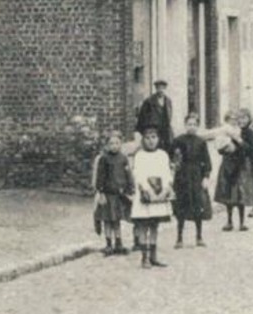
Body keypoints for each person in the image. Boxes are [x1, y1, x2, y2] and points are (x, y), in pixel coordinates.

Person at [130, 127, 174, 268]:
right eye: (148, 138)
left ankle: (154, 256)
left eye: (154, 137)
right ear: (143, 139)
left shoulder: (163, 155)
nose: (151, 141)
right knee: (144, 225)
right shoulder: (140, 155)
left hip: (160, 194)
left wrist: (165, 189)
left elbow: (167, 173)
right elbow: (138, 175)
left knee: (155, 225)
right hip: (146, 194)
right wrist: (147, 190)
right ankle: (144, 257)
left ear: (158, 139)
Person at [169, 113, 213, 248]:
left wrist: (205, 177)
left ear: (198, 126)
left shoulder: (201, 142)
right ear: (185, 125)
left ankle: (199, 236)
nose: (191, 127)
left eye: (194, 124)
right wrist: (173, 165)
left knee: (198, 205)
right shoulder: (178, 140)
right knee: (181, 206)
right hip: (182, 176)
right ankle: (179, 238)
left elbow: (206, 161)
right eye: (189, 124)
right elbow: (171, 157)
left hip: (196, 176)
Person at [91, 130, 134, 257]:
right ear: (107, 145)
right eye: (111, 143)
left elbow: (128, 174)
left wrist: (130, 188)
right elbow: (100, 176)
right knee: (107, 220)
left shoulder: (123, 158)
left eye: (117, 143)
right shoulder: (104, 159)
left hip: (119, 195)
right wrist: (101, 192)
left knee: (117, 220)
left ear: (121, 144)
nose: (114, 146)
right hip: (107, 195)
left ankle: (119, 243)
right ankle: (109, 244)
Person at [213, 110, 253, 232]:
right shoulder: (226, 130)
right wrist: (224, 149)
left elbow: (250, 149)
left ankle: (242, 222)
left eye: (239, 119)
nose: (237, 121)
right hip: (228, 163)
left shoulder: (247, 133)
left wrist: (239, 142)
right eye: (234, 119)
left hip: (241, 165)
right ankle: (229, 220)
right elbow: (219, 148)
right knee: (228, 193)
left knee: (240, 194)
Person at [135, 79, 175, 156]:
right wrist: (144, 131)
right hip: (154, 130)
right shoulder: (149, 101)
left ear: (165, 88)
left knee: (167, 150)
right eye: (159, 88)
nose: (161, 90)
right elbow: (142, 117)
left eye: (162, 88)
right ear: (156, 89)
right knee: (153, 150)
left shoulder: (168, 101)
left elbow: (169, 115)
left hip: (165, 131)